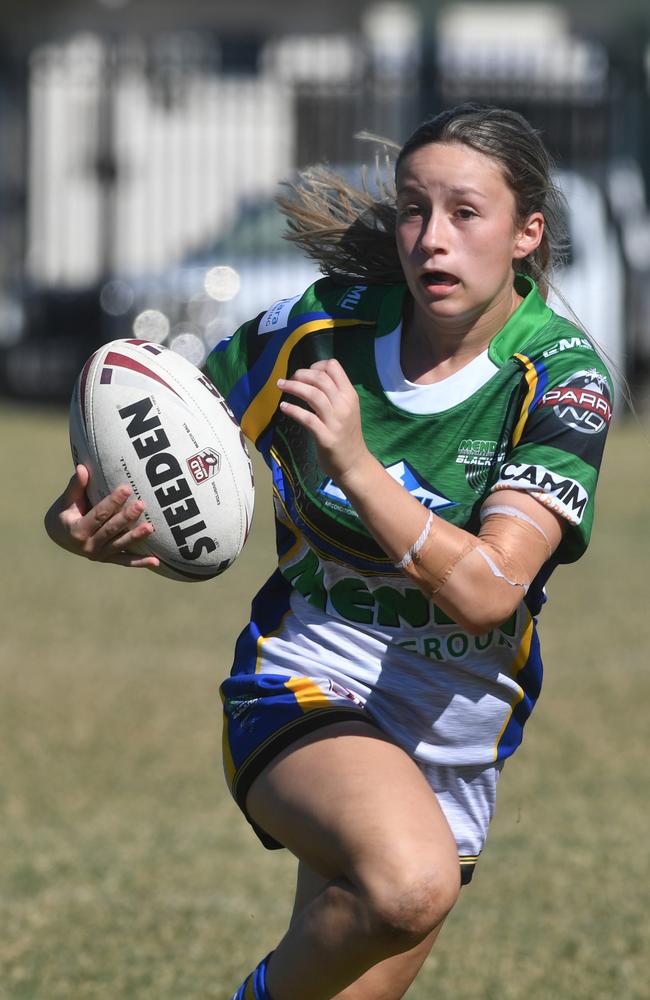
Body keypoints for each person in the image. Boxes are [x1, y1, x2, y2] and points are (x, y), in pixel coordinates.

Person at [45, 104, 613, 1000]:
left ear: (526, 233)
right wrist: (83, 524)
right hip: (305, 679)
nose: (432, 238)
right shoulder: (321, 332)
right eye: (416, 209)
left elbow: (492, 589)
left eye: (466, 213)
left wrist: (354, 462)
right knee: (409, 882)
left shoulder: (561, 379)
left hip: (454, 731)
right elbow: (170, 447)